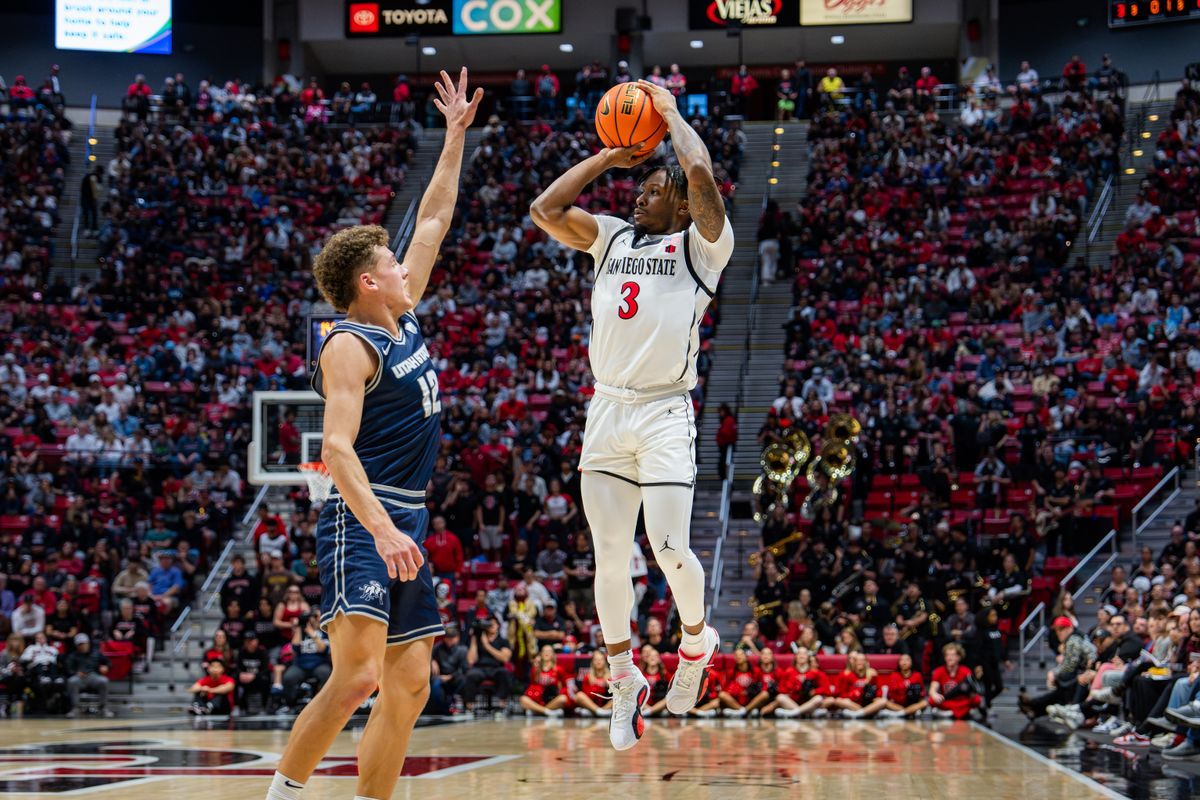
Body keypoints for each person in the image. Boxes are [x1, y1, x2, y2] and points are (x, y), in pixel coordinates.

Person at [267, 69, 482, 800]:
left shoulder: (405, 315)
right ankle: (282, 796)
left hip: (408, 516)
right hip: (363, 517)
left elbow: (434, 219)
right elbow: (334, 450)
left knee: (411, 684)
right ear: (368, 283)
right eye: (389, 263)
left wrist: (455, 138)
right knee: (357, 675)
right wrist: (384, 528)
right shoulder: (348, 346)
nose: (401, 261)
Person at [530, 76, 734, 751]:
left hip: (665, 412)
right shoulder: (612, 237)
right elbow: (545, 208)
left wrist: (671, 115)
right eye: (637, 188)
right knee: (610, 558)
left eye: (651, 189)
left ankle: (696, 646)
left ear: (680, 207)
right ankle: (625, 679)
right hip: (607, 411)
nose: (637, 194)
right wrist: (606, 156)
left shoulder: (702, 247)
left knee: (670, 548)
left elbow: (701, 174)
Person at [462, 616, 513, 708]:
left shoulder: (503, 641)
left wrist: (487, 645)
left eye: (494, 623)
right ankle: (469, 706)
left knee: (504, 673)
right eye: (489, 623)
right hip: (480, 668)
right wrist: (474, 639)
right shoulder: (477, 639)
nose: (491, 625)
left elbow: (505, 658)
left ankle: (501, 705)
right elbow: (471, 660)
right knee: (471, 675)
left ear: (498, 626)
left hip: (496, 668)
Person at [65, 634, 111, 718]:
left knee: (104, 681)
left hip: (93, 676)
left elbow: (108, 662)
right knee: (71, 681)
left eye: (84, 643)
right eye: (80, 644)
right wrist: (75, 673)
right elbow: (68, 669)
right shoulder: (72, 656)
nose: (83, 646)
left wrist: (106, 666)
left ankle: (103, 708)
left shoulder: (96, 653)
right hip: (79, 678)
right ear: (76, 646)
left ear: (88, 644)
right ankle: (75, 708)